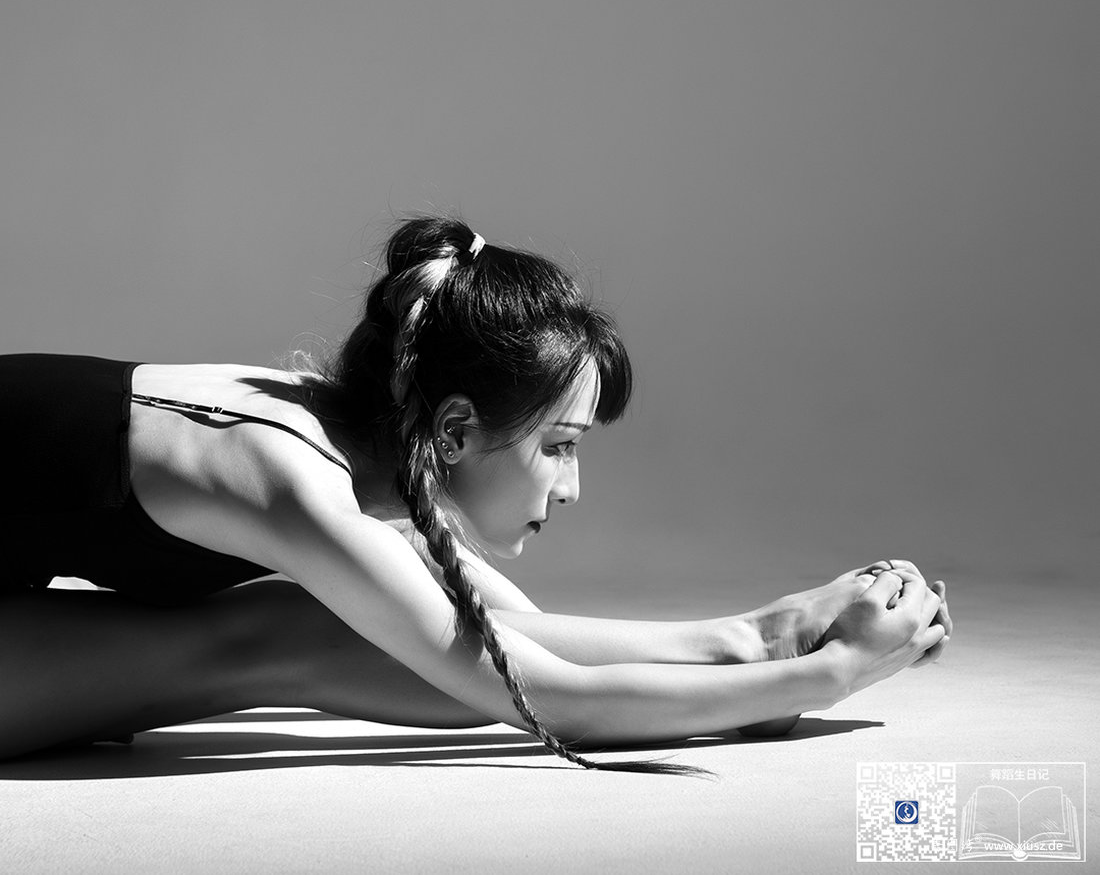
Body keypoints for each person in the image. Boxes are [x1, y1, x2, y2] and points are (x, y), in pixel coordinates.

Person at [0, 217, 951, 769]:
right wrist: (827, 674)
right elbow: (545, 694)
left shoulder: (359, 438)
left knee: (342, 625)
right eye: (561, 447)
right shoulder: (291, 480)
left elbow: (502, 632)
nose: (571, 487)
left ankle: (741, 646)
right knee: (282, 636)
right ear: (454, 431)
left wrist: (752, 642)